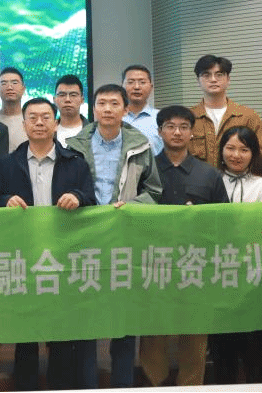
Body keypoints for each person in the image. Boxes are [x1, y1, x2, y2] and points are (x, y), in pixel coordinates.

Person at [0, 97, 94, 390]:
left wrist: (78, 196)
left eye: (46, 117)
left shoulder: (75, 162)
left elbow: (91, 197)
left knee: (60, 330)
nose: (39, 123)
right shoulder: (7, 163)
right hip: (23, 254)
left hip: (62, 253)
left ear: (56, 123)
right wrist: (4, 200)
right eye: (33, 118)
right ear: (24, 125)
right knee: (25, 330)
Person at [66, 84, 162, 388]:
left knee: (124, 317)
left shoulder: (141, 145)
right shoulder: (73, 145)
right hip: (84, 237)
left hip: (124, 238)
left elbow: (154, 191)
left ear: (125, 109)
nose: (107, 109)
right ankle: (87, 384)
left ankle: (123, 383)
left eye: (114, 103)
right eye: (102, 103)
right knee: (85, 317)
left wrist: (132, 206)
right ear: (93, 108)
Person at [137, 105, 226, 387]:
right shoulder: (143, 170)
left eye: (184, 127)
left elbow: (222, 220)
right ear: (159, 131)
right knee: (154, 333)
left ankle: (191, 386)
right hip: (154, 263)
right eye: (170, 127)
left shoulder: (208, 174)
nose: (177, 132)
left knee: (195, 334)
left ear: (192, 133)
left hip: (195, 263)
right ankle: (154, 385)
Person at [211, 125, 262, 384]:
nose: (236, 155)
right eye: (230, 148)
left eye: (244, 149)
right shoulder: (211, 180)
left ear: (253, 154)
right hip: (217, 273)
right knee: (221, 348)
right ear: (221, 151)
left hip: (251, 275)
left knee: (252, 348)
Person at [189, 55, 262, 171]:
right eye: (206, 75)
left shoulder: (248, 116)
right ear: (198, 81)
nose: (213, 79)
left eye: (219, 75)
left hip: (237, 179)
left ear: (228, 79)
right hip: (197, 180)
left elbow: (257, 153)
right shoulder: (187, 118)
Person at [122, 65, 162, 154]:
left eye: (142, 82)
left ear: (151, 87)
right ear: (122, 87)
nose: (137, 87)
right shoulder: (113, 118)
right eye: (131, 82)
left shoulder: (163, 118)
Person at [0, 67, 27, 152]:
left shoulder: (31, 120)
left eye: (15, 83)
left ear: (23, 89)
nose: (9, 87)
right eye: (4, 83)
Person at [54, 73, 88, 143]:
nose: (67, 100)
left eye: (73, 95)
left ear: (82, 100)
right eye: (62, 95)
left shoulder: (95, 133)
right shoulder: (47, 131)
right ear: (54, 100)